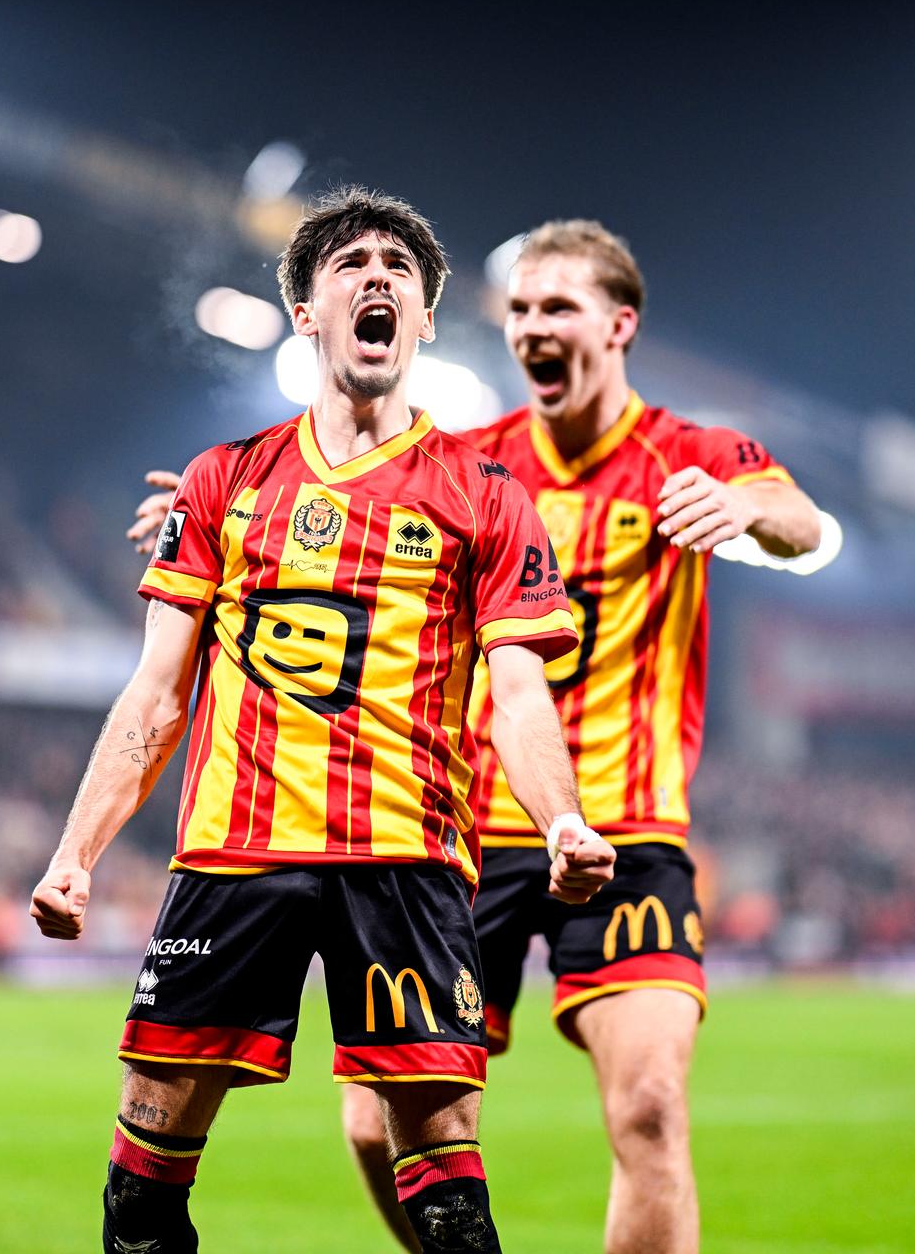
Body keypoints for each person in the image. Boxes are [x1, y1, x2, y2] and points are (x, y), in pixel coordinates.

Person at [130, 219, 821, 1253]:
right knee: (375, 1123)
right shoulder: (474, 464)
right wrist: (220, 518)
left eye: (558, 308)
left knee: (648, 1107)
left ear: (619, 324)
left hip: (627, 827)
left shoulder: (687, 453)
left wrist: (742, 505)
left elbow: (800, 518)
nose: (533, 329)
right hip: (463, 836)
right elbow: (328, 509)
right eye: (521, 312)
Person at [33, 187, 617, 1254]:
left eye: (402, 267)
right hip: (236, 852)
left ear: (428, 320)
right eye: (352, 264)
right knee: (141, 1193)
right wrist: (76, 852)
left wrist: (561, 820)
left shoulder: (484, 494)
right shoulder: (225, 480)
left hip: (406, 861)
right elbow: (158, 690)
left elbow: (520, 688)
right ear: (306, 308)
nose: (379, 276)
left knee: (448, 1203)